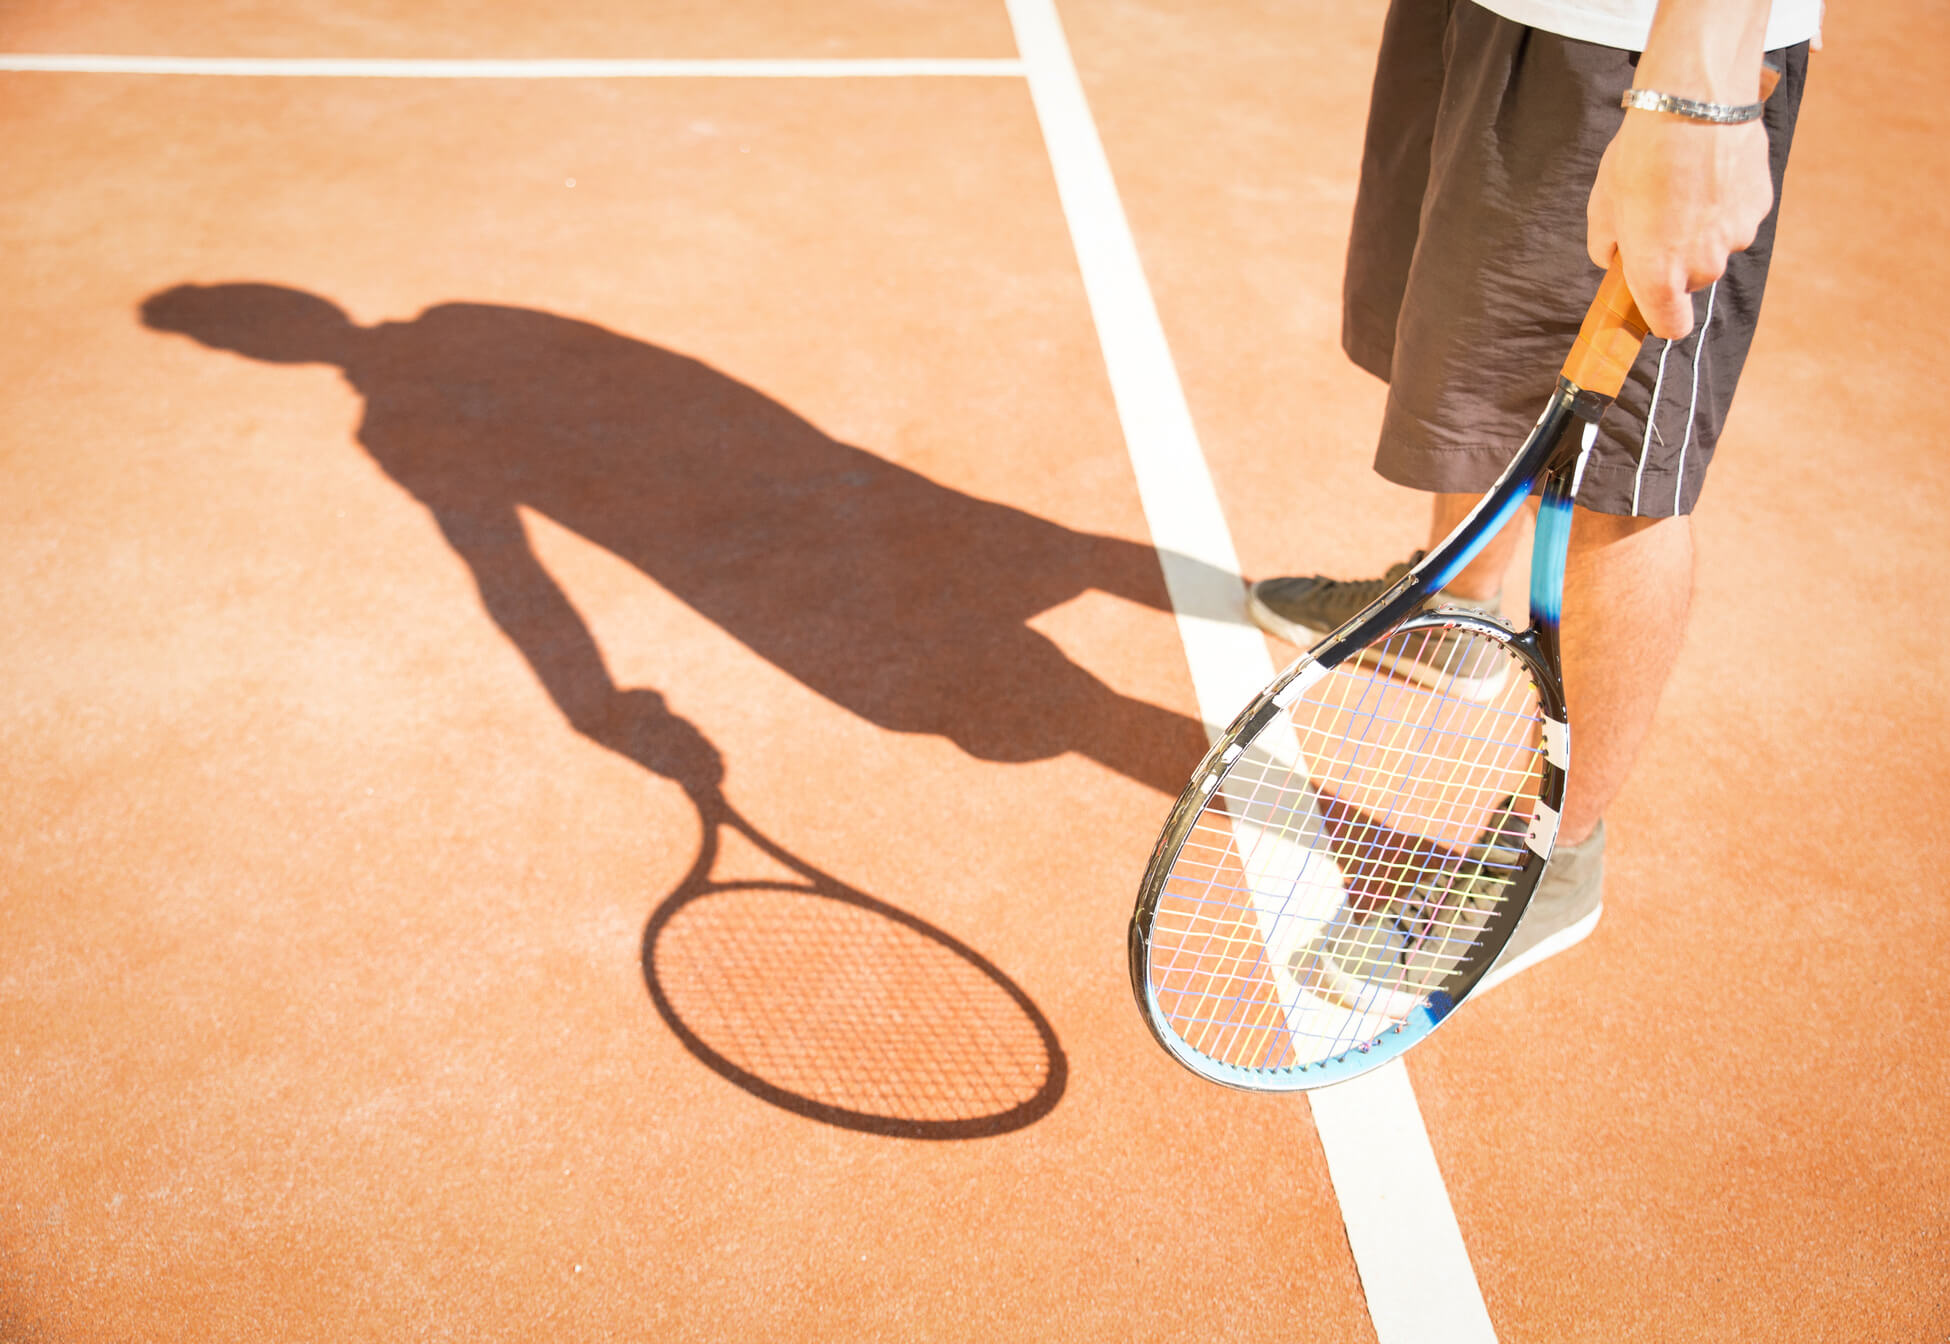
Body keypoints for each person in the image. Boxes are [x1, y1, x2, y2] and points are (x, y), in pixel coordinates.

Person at [1247, 0, 1819, 982]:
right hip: (1500, 15)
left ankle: (1552, 857)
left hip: (1638, 48)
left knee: (1619, 476)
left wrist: (1695, 98)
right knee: (1479, 359)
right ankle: (1452, 612)